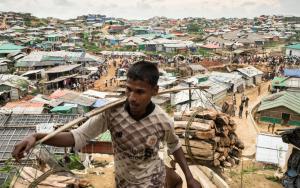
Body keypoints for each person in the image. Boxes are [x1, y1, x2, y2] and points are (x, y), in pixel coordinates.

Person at [12, 61, 201, 188]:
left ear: (155, 91)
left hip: (153, 182)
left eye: (140, 92)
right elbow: (78, 136)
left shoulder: (162, 120)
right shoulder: (112, 113)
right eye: (128, 89)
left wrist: (189, 176)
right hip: (123, 181)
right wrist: (37, 138)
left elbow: (174, 145)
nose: (132, 98)